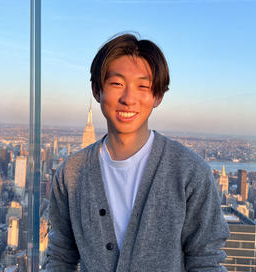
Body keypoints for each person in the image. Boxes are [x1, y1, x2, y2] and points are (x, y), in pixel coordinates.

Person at [45, 33, 230, 272]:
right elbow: (60, 257)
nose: (128, 99)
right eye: (117, 84)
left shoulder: (189, 172)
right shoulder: (70, 173)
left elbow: (206, 261)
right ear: (97, 90)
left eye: (143, 86)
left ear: (157, 96)